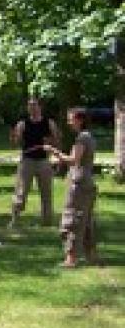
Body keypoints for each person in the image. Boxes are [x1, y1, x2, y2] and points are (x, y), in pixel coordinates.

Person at [43, 108, 99, 268]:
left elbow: (73, 160)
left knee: (72, 219)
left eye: (71, 119)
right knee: (86, 221)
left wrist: (54, 152)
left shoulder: (82, 138)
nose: (68, 122)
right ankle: (91, 256)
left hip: (80, 184)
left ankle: (71, 259)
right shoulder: (88, 136)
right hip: (87, 182)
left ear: (80, 120)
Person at [9, 97, 60, 227]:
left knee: (46, 193)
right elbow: (16, 142)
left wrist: (52, 146)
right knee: (21, 191)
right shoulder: (23, 124)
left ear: (40, 107)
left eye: (34, 105)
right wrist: (14, 136)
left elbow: (57, 140)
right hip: (27, 161)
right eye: (29, 105)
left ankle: (47, 222)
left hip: (43, 161)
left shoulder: (49, 123)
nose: (32, 108)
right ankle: (15, 219)